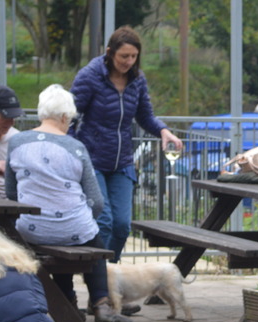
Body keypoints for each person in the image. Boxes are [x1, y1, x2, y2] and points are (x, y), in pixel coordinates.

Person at [5, 84, 132, 322]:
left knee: (61, 242)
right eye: (70, 120)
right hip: (73, 228)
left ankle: (69, 305)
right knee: (91, 241)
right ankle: (102, 305)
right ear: (65, 117)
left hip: (31, 230)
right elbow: (96, 201)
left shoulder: (16, 142)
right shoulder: (76, 147)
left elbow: (11, 193)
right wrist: (81, 218)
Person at [70, 25, 182, 263]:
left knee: (122, 226)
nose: (129, 61)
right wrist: (73, 151)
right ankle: (99, 286)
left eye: (134, 56)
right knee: (105, 222)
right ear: (110, 52)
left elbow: (145, 116)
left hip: (122, 163)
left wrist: (164, 131)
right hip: (93, 161)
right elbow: (70, 116)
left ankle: (108, 277)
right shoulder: (89, 76)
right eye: (123, 56)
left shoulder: (137, 80)